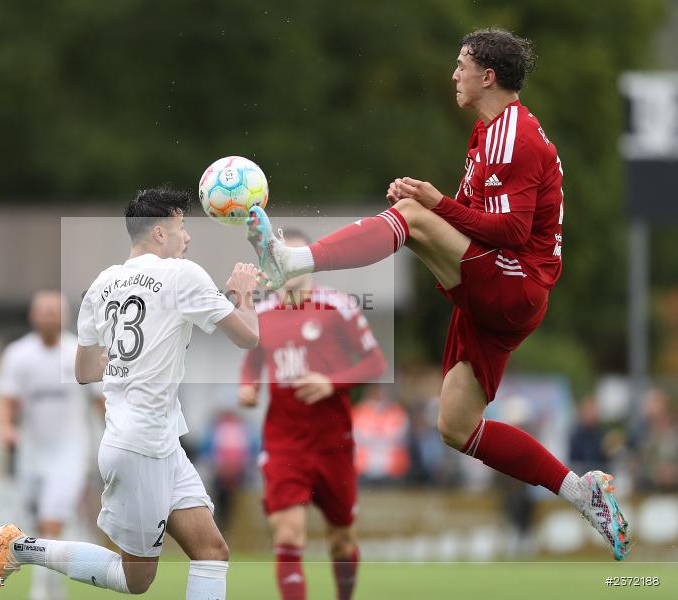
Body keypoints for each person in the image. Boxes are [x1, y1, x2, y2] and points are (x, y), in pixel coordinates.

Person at [245, 28, 630, 560]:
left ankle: (292, 261)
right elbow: (475, 224)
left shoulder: (513, 134)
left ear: (486, 75)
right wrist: (433, 208)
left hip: (514, 282)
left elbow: (513, 231)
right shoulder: (487, 133)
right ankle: (579, 492)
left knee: (411, 217)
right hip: (500, 288)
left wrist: (433, 205)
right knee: (455, 426)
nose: (454, 74)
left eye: (461, 64)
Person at [0, 187, 260, 600]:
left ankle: (20, 548)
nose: (188, 238)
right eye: (182, 228)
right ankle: (20, 548)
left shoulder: (101, 284)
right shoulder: (184, 274)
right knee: (136, 580)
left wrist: (139, 357)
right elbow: (249, 337)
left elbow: (83, 371)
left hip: (156, 441)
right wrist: (245, 294)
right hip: (141, 444)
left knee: (212, 551)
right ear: (161, 233)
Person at [237, 228, 385, 600]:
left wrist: (332, 382)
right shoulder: (263, 313)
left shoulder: (338, 307)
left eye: (299, 259)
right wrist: (248, 385)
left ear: (312, 264)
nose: (292, 267)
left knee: (341, 540)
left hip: (334, 444)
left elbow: (375, 364)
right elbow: (252, 359)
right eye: (284, 259)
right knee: (287, 534)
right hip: (285, 443)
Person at [0, 290, 95, 600]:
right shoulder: (18, 354)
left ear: (65, 316)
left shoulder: (80, 350)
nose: (50, 316)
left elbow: (101, 399)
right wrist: (7, 427)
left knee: (53, 517)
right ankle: (52, 584)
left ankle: (42, 589)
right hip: (33, 450)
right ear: (33, 316)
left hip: (71, 449)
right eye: (45, 311)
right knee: (37, 520)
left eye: (56, 311)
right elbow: (7, 399)